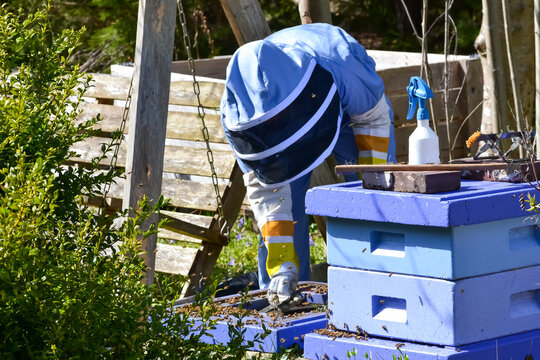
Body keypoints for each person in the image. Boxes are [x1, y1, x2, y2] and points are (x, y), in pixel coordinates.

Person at [220, 23, 395, 308]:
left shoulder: (340, 63)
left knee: (375, 196)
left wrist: (369, 191)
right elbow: (266, 191)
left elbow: (373, 118)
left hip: (354, 115)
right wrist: (281, 265)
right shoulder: (237, 115)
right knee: (285, 215)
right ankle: (283, 293)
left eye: (280, 121)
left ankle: (381, 286)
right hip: (281, 140)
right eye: (270, 126)